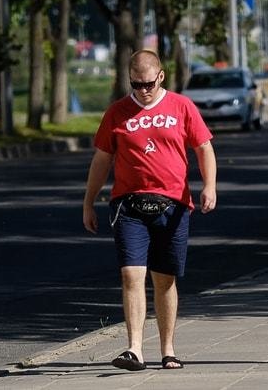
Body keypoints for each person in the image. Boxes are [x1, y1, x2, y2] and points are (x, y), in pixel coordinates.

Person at [83, 49, 218, 372]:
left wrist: (209, 185)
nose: (143, 91)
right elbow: (102, 159)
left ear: (161, 76)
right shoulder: (117, 113)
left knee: (165, 280)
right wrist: (89, 201)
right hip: (128, 205)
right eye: (136, 84)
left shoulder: (181, 107)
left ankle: (168, 349)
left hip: (172, 205)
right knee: (131, 275)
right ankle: (133, 349)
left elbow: (204, 148)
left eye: (148, 84)